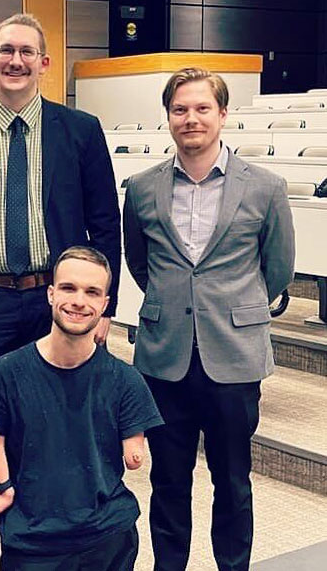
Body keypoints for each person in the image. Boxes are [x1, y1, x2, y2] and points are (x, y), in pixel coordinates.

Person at [0, 13, 121, 570]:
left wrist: (104, 310)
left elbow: (105, 224)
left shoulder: (79, 130)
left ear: (44, 63)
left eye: (26, 52)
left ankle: (45, 549)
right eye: (5, 51)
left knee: (56, 435)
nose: (15, 61)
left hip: (55, 305)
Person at [123, 67, 295, 571]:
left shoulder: (265, 186)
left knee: (233, 481)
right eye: (180, 110)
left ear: (223, 115)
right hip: (165, 356)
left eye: (202, 108)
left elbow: (278, 268)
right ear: (168, 117)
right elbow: (141, 262)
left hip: (234, 356)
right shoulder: (141, 187)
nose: (190, 119)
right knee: (168, 482)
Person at [0, 246, 163, 571]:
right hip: (32, 540)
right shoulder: (6, 372)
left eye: (92, 292)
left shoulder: (125, 380)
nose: (79, 301)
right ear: (51, 293)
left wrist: (135, 451)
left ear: (104, 304)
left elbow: (134, 454)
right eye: (69, 288)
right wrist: (2, 487)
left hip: (107, 536)